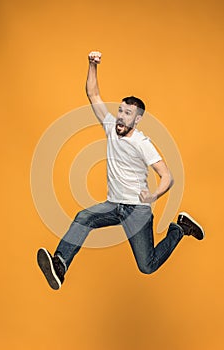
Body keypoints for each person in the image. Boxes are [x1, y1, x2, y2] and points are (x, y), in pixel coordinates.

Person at [37, 51, 205, 290]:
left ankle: (179, 229)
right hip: (114, 205)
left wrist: (154, 195)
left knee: (147, 266)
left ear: (137, 120)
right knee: (83, 217)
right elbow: (93, 94)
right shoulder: (110, 126)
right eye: (121, 111)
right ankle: (60, 265)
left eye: (128, 114)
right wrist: (92, 65)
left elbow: (167, 175)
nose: (121, 117)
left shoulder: (142, 143)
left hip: (137, 211)